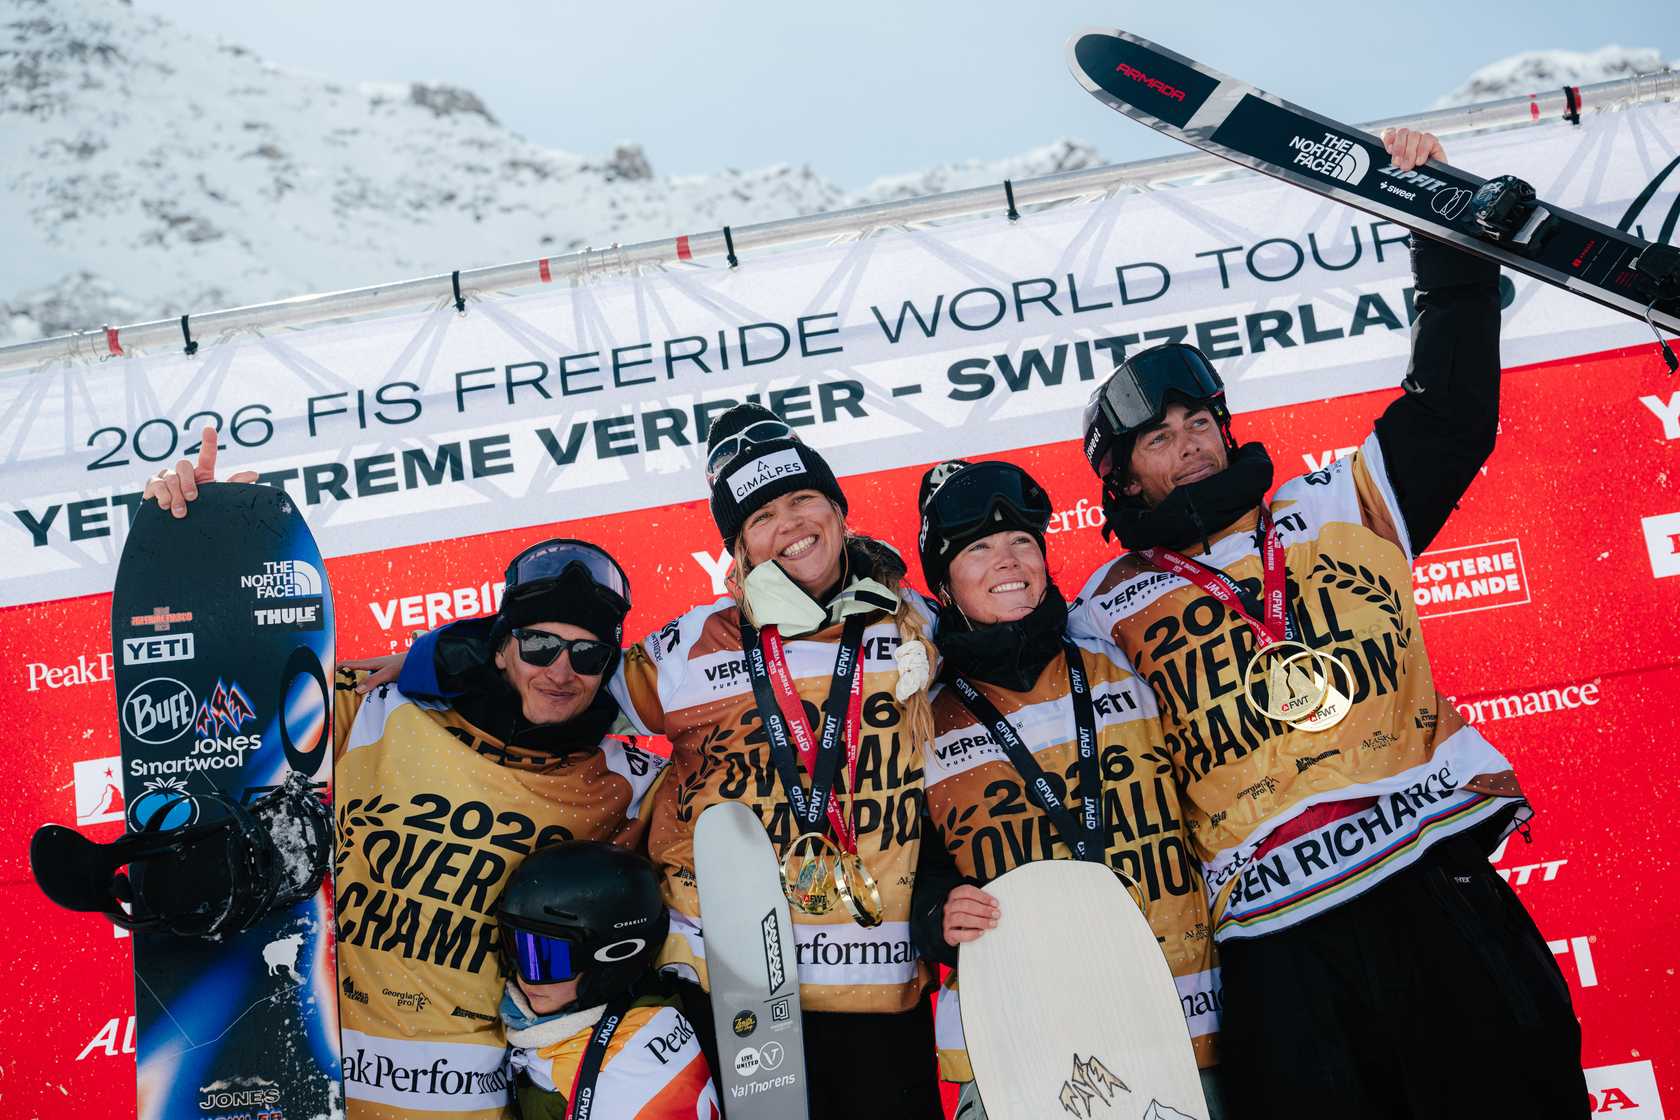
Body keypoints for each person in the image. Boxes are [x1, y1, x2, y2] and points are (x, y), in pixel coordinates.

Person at [1068, 128, 1587, 1118]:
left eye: (1200, 423)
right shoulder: (1102, 611)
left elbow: (1450, 414)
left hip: (1429, 882)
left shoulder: (1337, 503)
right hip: (1279, 939)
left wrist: (1444, 242)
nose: (1190, 446)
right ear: (1121, 478)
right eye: (1160, 440)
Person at [394, 403, 945, 1119]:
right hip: (728, 981)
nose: (790, 525)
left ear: (839, 512)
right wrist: (444, 655)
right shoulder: (689, 648)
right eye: (762, 516)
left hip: (873, 978)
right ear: (739, 549)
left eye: (804, 500)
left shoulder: (918, 625)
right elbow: (565, 687)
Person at [141, 449, 663, 1120]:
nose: (561, 671)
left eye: (587, 655)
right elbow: (234, 716)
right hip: (312, 1079)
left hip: (468, 1102)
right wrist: (211, 555)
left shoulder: (628, 784)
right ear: (501, 646)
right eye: (539, 646)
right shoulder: (377, 708)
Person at [905, 459, 1221, 1119]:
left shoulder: (1120, 650)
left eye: (1021, 540)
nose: (1007, 560)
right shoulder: (917, 713)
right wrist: (935, 914)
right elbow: (898, 866)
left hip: (1179, 1018)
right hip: (1018, 1042)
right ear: (943, 584)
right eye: (977, 550)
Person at [495, 841, 718, 1119]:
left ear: (610, 961)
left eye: (547, 959)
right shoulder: (537, 1027)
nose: (526, 977)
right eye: (518, 948)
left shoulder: (633, 1069)